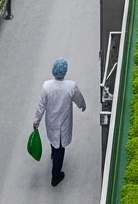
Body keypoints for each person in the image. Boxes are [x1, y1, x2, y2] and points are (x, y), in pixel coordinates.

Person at [33, 58, 86, 187]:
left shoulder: (46, 86)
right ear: (65, 71)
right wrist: (82, 106)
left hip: (51, 121)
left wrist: (36, 121)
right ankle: (56, 175)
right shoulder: (70, 86)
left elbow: (41, 106)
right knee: (61, 148)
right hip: (63, 123)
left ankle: (53, 155)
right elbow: (79, 99)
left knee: (54, 140)